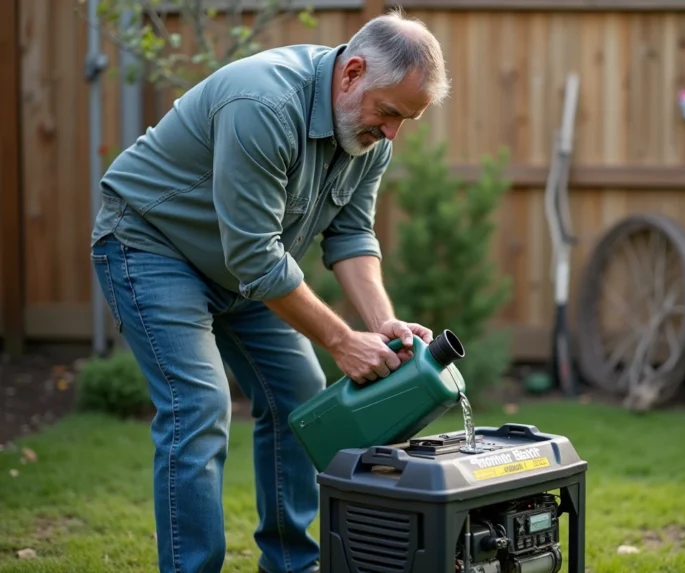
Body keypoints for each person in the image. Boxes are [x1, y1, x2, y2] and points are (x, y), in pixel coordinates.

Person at [89, 9, 450, 573]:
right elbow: (256, 256)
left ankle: (290, 564)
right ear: (352, 72)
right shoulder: (263, 105)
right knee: (199, 405)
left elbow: (352, 234)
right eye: (389, 113)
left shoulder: (369, 133)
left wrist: (381, 323)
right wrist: (340, 340)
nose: (392, 133)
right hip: (150, 245)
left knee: (300, 395)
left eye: (407, 119)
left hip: (234, 268)